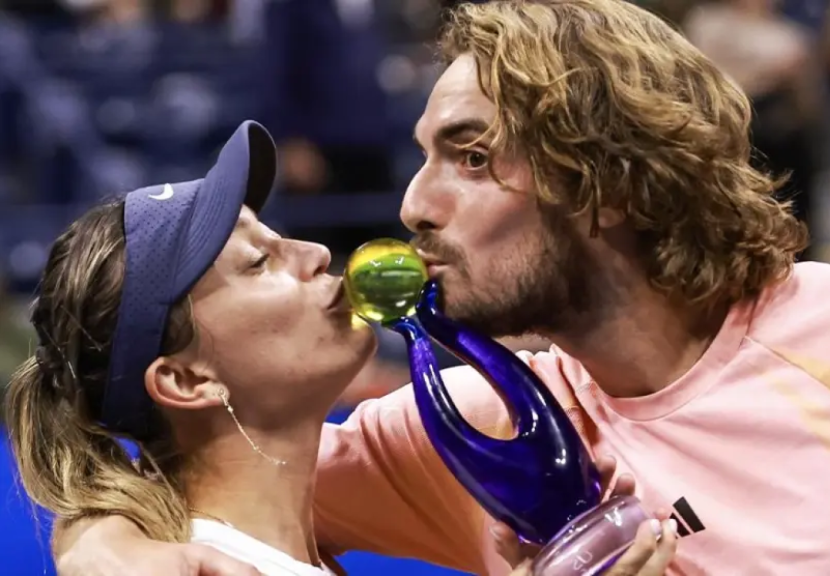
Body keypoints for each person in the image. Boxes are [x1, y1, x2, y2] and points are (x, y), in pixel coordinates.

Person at [55, 0, 830, 574]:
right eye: (422, 155)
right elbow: (174, 485)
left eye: (469, 159)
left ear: (609, 186)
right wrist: (106, 553)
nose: (412, 204)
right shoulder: (478, 429)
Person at [3, 119, 676, 576]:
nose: (317, 254)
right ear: (186, 381)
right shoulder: (203, 566)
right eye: (258, 263)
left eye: (275, 235)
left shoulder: (277, 539)